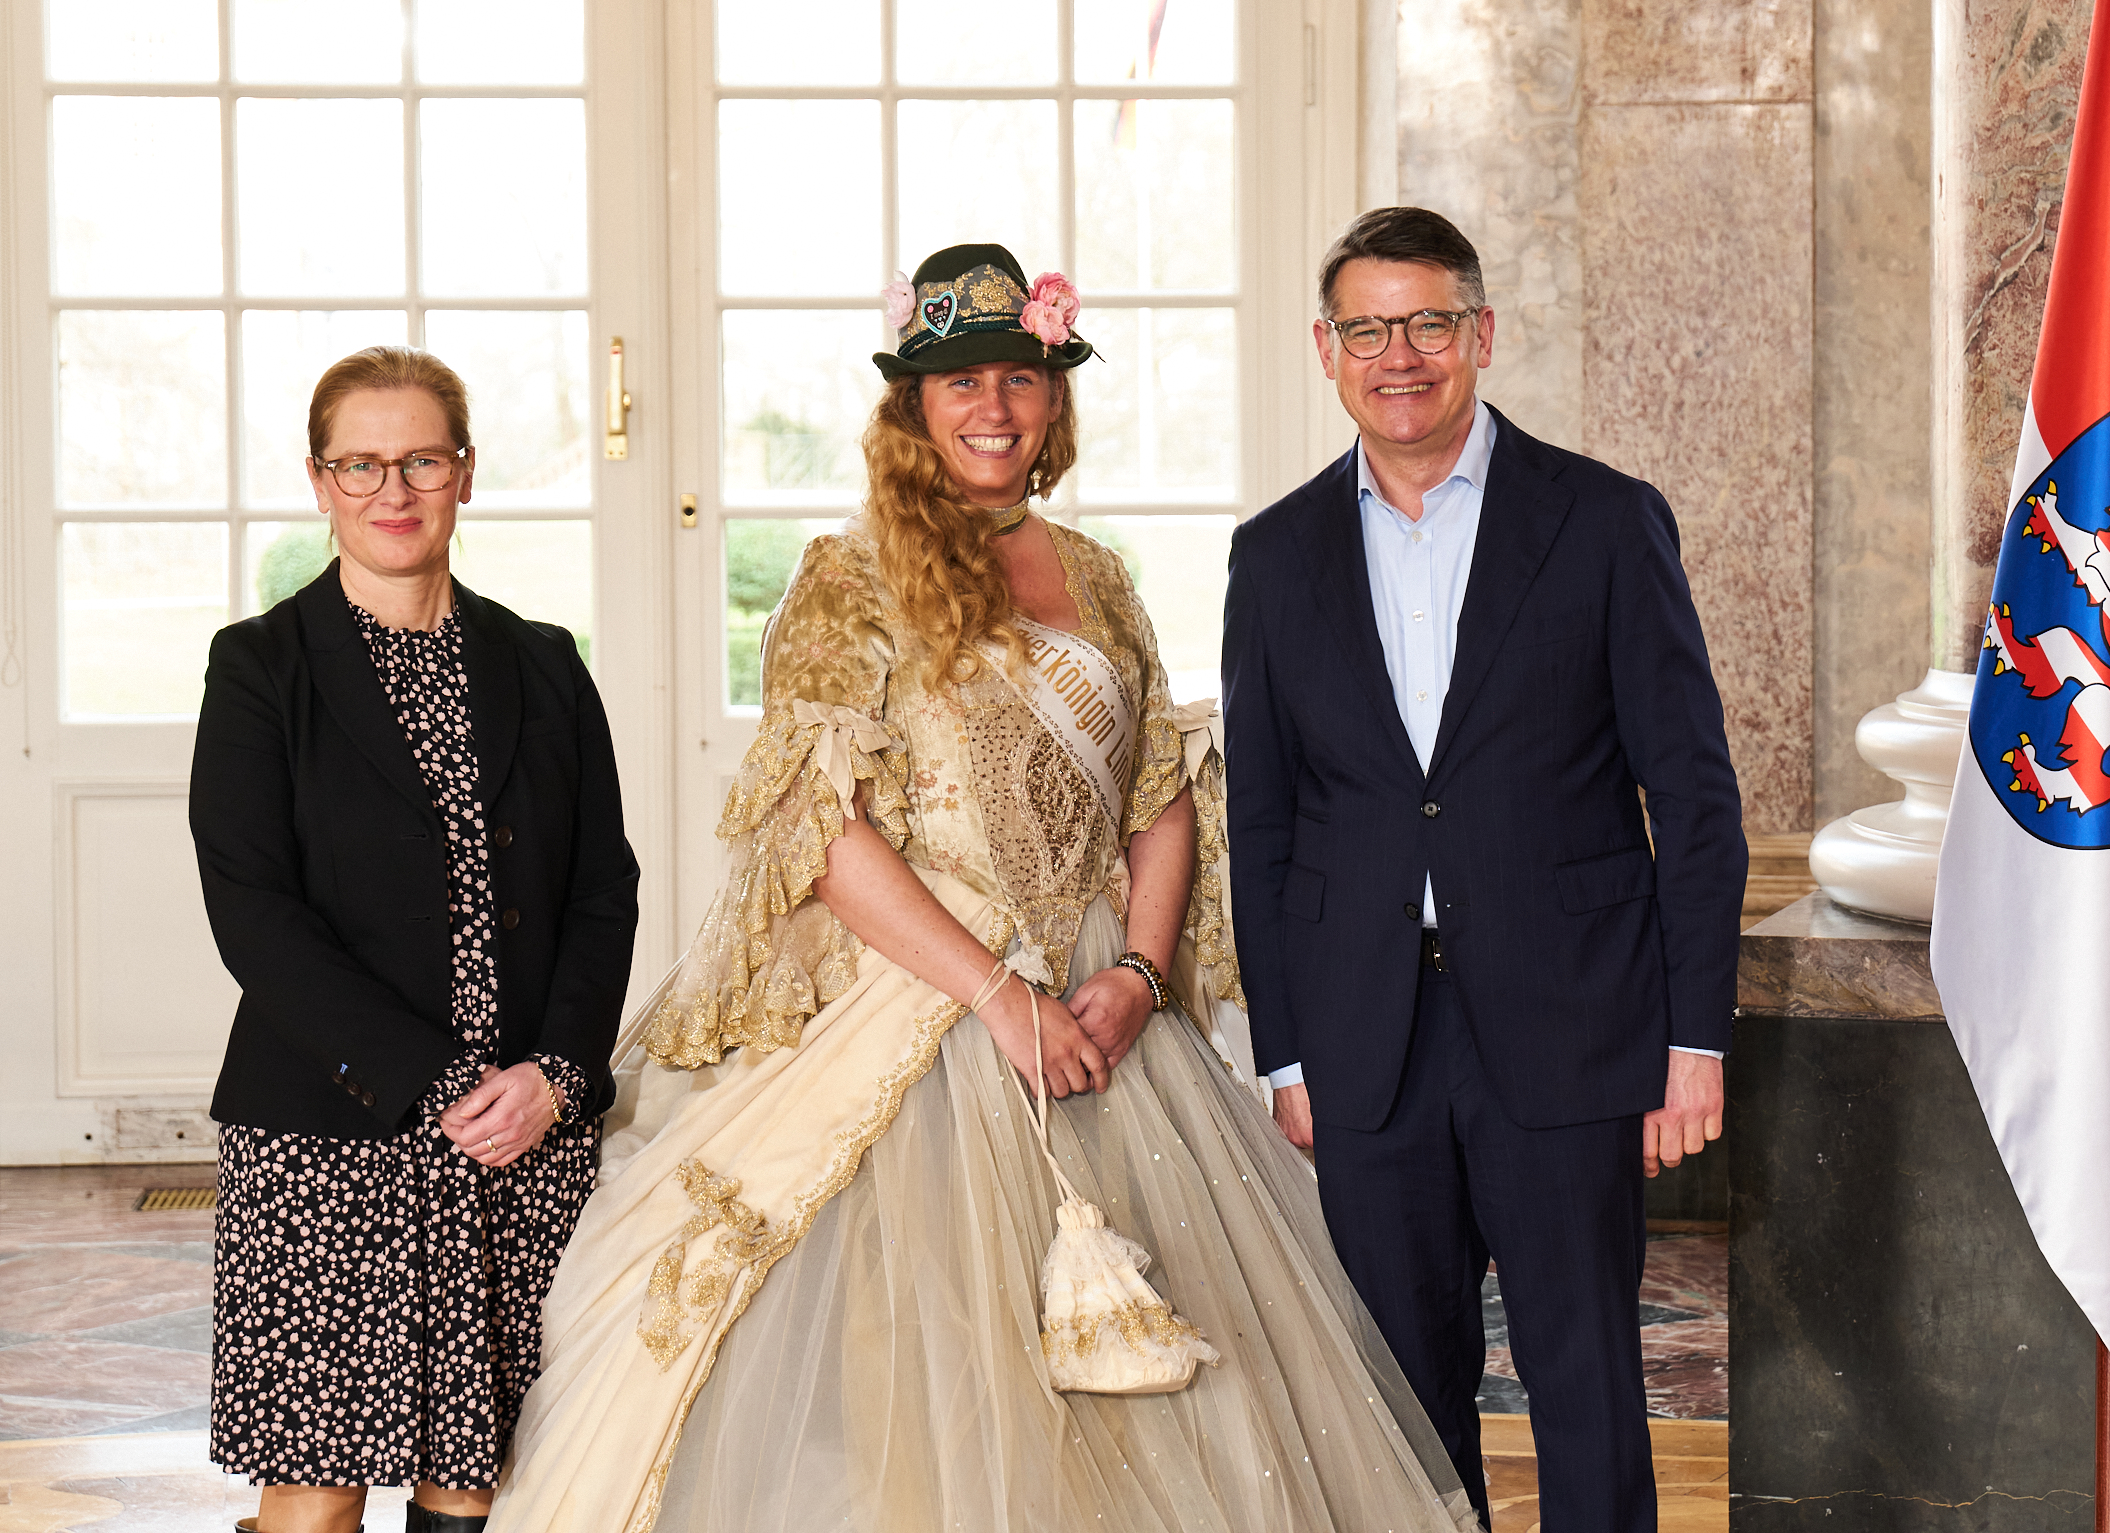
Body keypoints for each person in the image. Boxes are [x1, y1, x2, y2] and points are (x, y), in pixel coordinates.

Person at [486, 243, 1479, 1533]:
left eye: (1019, 378)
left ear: (1052, 398)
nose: (994, 407)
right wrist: (1000, 1000)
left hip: (1106, 1015)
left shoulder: (1098, 574)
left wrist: (1137, 976)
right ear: (912, 405)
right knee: (944, 1373)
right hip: (922, 1007)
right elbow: (824, 831)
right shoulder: (845, 579)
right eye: (960, 382)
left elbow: (1157, 795)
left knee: (1163, 1374)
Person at [1221, 206, 1747, 1531]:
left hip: (1572, 1020)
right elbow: (1264, 825)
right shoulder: (1272, 556)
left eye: (1427, 323)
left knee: (1585, 1379)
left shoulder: (1605, 522)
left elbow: (1693, 801)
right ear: (1326, 352)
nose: (1397, 355)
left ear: (1482, 335)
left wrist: (1692, 1041)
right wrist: (1285, 1054)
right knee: (1402, 1396)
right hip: (1363, 1035)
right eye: (1366, 330)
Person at [191, 346, 641, 1533]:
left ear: (465, 473)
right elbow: (253, 912)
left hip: (520, 1133)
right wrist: (436, 1085)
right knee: (318, 1485)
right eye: (361, 464)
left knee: (479, 1479)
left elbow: (602, 891)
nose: (392, 490)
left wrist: (559, 1076)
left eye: (422, 461)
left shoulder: (545, 664)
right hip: (328, 1137)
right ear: (320, 480)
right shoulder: (259, 668)